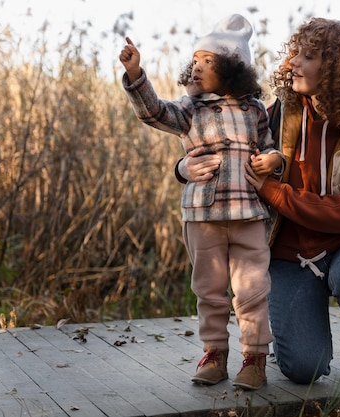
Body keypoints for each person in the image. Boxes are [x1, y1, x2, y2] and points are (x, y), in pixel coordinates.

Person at [177, 17, 340, 384]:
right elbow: (222, 143)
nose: (292, 64)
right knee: (305, 369)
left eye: (308, 57)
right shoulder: (277, 114)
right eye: (295, 55)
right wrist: (183, 168)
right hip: (288, 252)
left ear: (338, 68)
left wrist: (273, 191)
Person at [119, 14, 283, 390]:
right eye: (195, 60)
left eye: (208, 61)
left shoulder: (255, 109)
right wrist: (135, 74)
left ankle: (254, 357)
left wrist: (275, 160)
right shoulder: (189, 109)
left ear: (231, 69)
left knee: (252, 290)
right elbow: (153, 112)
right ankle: (214, 354)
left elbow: (270, 147)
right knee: (209, 289)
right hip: (203, 215)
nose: (197, 67)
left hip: (248, 214)